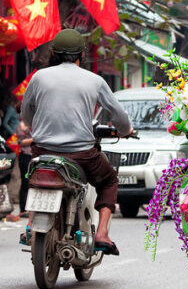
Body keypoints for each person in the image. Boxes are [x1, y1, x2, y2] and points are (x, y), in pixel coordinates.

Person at [21, 29, 133, 255]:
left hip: (42, 151)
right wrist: (126, 130)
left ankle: (31, 225)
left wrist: (40, 128)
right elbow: (119, 116)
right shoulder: (95, 80)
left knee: (35, 179)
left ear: (53, 53)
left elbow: (26, 114)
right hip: (81, 155)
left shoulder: (38, 77)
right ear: (81, 55)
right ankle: (101, 233)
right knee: (109, 180)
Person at [16, 120, 33, 216]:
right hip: (25, 156)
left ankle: (30, 208)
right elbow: (21, 142)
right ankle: (23, 209)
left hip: (33, 155)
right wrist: (34, 139)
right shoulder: (21, 125)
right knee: (25, 182)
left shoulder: (35, 122)